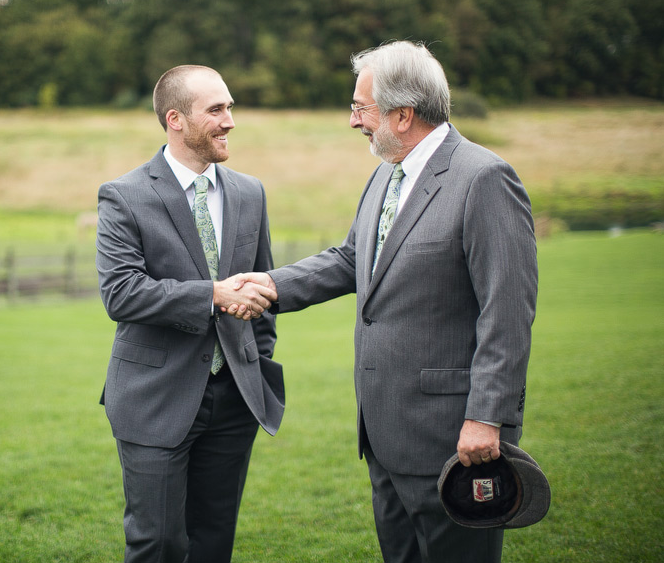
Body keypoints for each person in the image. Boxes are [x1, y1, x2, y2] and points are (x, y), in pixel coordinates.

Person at [230, 41, 538, 563]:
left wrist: (487, 418)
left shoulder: (484, 179)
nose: (354, 121)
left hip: (453, 437)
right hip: (385, 436)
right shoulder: (385, 174)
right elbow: (353, 259)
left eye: (360, 108)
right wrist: (271, 286)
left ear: (402, 114)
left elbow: (506, 312)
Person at [96, 65, 284, 563]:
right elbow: (121, 293)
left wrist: (256, 362)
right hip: (154, 398)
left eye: (231, 108)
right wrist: (213, 295)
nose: (230, 121)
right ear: (175, 119)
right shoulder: (124, 195)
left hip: (235, 399)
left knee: (213, 541)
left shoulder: (250, 192)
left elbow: (262, 288)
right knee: (158, 543)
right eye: (217, 110)